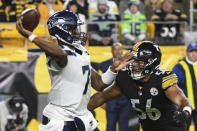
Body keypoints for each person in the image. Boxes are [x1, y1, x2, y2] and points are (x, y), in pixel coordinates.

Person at [16, 10, 133, 130]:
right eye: (73, 29)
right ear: (61, 30)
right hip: (60, 118)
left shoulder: (81, 51)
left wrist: (113, 69)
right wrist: (31, 36)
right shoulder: (57, 54)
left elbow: (99, 84)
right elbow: (61, 54)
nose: (78, 33)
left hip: (82, 115)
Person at [88, 41, 192, 131]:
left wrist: (185, 112)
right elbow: (101, 97)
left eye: (140, 61)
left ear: (152, 62)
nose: (134, 64)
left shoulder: (161, 79)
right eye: (133, 60)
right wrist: (79, 109)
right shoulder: (125, 78)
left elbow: (182, 100)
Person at [99, 43, 132, 131]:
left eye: (119, 49)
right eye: (115, 49)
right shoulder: (104, 65)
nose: (118, 51)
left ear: (122, 50)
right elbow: (100, 83)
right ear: (112, 51)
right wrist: (101, 100)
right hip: (110, 100)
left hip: (125, 101)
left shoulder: (130, 65)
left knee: (123, 128)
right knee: (110, 127)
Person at [173, 42, 197, 131]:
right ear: (187, 52)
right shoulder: (179, 67)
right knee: (183, 129)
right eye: (191, 51)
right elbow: (174, 85)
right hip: (185, 106)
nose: (194, 54)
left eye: (196, 51)